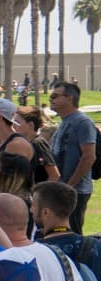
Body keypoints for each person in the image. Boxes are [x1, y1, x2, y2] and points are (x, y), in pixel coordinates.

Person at [49, 82, 96, 231]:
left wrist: (69, 186)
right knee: (59, 232)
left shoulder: (82, 122)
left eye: (55, 96)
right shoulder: (64, 122)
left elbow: (89, 157)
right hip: (62, 188)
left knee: (72, 233)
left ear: (69, 98)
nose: (51, 99)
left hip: (76, 191)